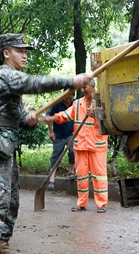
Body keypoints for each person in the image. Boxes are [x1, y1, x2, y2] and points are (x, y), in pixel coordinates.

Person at [0, 34, 91, 254]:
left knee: (11, 199)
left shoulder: (12, 84)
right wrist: (71, 80)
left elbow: (17, 118)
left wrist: (28, 120)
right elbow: (33, 84)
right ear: (6, 53)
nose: (25, 54)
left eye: (26, 50)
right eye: (20, 50)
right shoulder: (5, 75)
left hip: (4, 146)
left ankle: (1, 243)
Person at [46, 80, 108, 212]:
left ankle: (101, 204)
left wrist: (96, 116)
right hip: (81, 145)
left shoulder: (101, 102)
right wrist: (53, 118)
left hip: (97, 145)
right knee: (82, 175)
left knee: (99, 175)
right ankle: (81, 203)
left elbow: (107, 123)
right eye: (82, 88)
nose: (83, 90)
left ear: (93, 87)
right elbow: (65, 115)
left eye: (85, 87)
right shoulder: (77, 103)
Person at [45, 91, 76, 190]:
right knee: (56, 156)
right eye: (66, 98)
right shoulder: (57, 104)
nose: (68, 100)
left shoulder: (75, 104)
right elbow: (49, 117)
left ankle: (71, 171)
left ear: (73, 97)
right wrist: (51, 132)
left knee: (73, 151)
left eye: (70, 98)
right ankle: (51, 180)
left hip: (71, 134)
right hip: (58, 135)